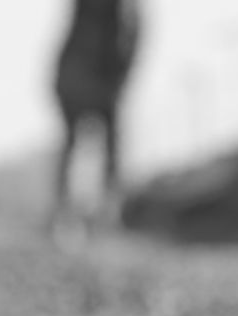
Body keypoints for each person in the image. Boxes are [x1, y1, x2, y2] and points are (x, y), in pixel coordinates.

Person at [53, 0, 142, 227]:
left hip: (104, 75)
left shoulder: (124, 11)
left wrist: (120, 76)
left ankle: (107, 212)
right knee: (78, 142)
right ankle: (66, 212)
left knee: (108, 145)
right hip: (81, 74)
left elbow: (132, 30)